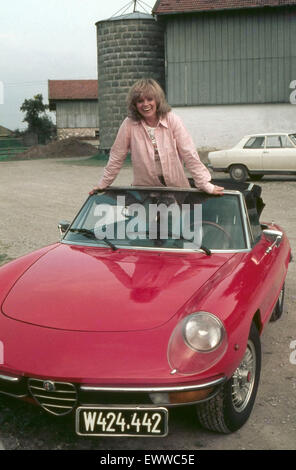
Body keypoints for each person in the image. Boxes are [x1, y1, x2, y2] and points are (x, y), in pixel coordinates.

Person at [90, 78, 223, 195]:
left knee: (177, 222)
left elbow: (189, 153)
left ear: (157, 100)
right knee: (148, 224)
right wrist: (103, 184)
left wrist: (204, 184)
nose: (145, 104)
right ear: (135, 105)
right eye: (140, 101)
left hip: (176, 189)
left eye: (150, 99)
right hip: (145, 192)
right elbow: (116, 157)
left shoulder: (172, 120)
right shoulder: (128, 124)